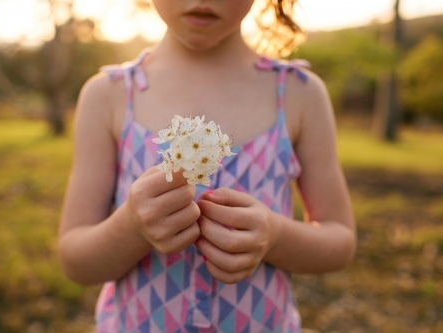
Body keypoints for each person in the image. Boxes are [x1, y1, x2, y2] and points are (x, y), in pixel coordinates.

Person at [58, 0, 356, 332]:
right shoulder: (108, 95)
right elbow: (76, 261)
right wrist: (131, 226)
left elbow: (340, 242)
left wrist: (276, 236)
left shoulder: (299, 94)